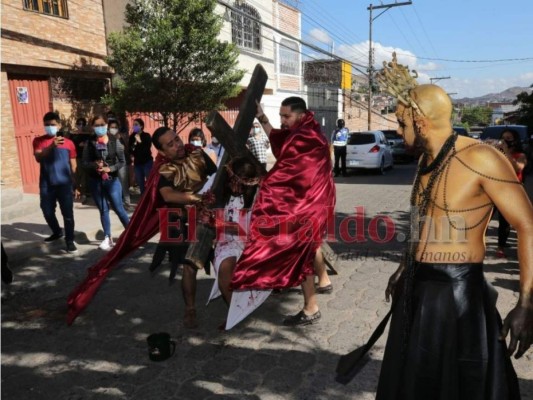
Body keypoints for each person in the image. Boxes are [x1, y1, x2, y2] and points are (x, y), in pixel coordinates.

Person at [371, 54, 531, 399]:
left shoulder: (481, 158)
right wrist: (404, 264)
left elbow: (528, 224)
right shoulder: (427, 161)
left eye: (401, 123)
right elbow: (420, 216)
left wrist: (526, 303)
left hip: (459, 294)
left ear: (420, 120)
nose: (399, 131)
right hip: (417, 286)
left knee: (463, 385)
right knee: (415, 382)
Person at [229, 96, 336, 326]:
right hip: (313, 202)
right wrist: (262, 117)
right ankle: (324, 280)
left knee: (299, 251)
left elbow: (289, 173)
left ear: (300, 114)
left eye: (286, 116)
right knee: (310, 245)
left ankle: (311, 308)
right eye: (280, 115)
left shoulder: (305, 137)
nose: (283, 120)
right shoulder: (307, 129)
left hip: (307, 204)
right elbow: (280, 143)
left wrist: (263, 184)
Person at [151, 127, 217, 329]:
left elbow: (216, 178)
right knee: (189, 268)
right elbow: (168, 195)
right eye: (170, 144)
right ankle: (190, 309)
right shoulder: (164, 171)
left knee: (223, 260)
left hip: (213, 218)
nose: (177, 145)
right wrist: (197, 198)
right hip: (184, 223)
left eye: (177, 139)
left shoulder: (198, 156)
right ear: (162, 152)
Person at [207, 157, 260, 307]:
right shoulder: (219, 188)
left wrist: (215, 222)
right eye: (232, 181)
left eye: (238, 183)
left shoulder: (258, 196)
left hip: (253, 242)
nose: (234, 186)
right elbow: (201, 201)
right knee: (224, 267)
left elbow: (243, 230)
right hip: (227, 241)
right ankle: (234, 309)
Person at [33, 111, 78, 253]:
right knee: (47, 211)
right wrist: (51, 146)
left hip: (64, 184)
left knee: (68, 214)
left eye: (52, 125)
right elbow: (38, 157)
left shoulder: (69, 143)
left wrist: (76, 185)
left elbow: (74, 165)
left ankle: (69, 240)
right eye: (47, 125)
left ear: (59, 125)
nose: (50, 127)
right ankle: (57, 231)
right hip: (47, 184)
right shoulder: (39, 141)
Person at [83, 116, 130, 250]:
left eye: (102, 124)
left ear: (106, 125)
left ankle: (131, 234)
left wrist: (110, 168)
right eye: (96, 125)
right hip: (96, 181)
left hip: (112, 181)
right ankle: (107, 237)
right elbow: (84, 163)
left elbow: (122, 161)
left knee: (118, 208)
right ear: (92, 127)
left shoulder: (116, 141)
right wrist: (94, 165)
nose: (100, 127)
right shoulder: (89, 143)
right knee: (103, 210)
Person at [495, 129, 528, 258]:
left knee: (505, 221)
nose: (505, 141)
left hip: (511, 191)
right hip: (495, 188)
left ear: (515, 140)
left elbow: (517, 168)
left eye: (509, 138)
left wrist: (506, 151)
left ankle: (500, 247)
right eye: (503, 138)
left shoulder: (521, 155)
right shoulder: (498, 153)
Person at [108, 119, 132, 211]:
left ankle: (127, 203)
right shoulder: (107, 138)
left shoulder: (121, 138)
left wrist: (120, 139)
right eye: (112, 127)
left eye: (115, 127)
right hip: (111, 164)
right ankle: (115, 203)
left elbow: (126, 150)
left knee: (124, 184)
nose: (113, 129)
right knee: (112, 184)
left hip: (122, 163)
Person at [189, 128, 217, 194]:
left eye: (197, 140)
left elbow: (211, 174)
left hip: (206, 187)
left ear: (202, 140)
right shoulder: (188, 154)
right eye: (192, 140)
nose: (194, 142)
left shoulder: (210, 153)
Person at [128, 118, 153, 194]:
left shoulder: (146, 135)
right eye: (133, 125)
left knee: (149, 181)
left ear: (141, 126)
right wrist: (133, 147)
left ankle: (152, 197)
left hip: (147, 162)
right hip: (137, 163)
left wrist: (140, 141)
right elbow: (130, 149)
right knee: (140, 183)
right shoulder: (132, 137)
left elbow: (147, 149)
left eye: (136, 125)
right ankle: (143, 198)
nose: (134, 126)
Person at [70, 117, 91, 204]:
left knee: (83, 176)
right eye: (79, 124)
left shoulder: (87, 135)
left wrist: (85, 145)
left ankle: (83, 193)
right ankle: (77, 191)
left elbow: (90, 145)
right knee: (75, 175)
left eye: (82, 124)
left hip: (84, 157)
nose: (80, 126)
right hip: (74, 157)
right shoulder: (72, 135)